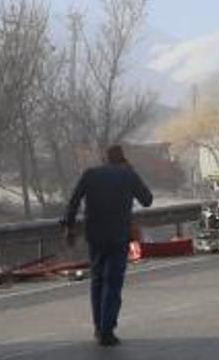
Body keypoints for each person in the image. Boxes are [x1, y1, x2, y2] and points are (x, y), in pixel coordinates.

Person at [64, 145, 153, 346]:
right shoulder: (128, 174)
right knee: (112, 283)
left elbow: (73, 201)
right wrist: (131, 173)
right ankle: (107, 330)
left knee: (97, 281)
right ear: (122, 159)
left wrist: (69, 227)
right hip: (118, 236)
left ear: (105, 160)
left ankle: (98, 327)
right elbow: (147, 200)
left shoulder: (90, 174)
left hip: (94, 235)